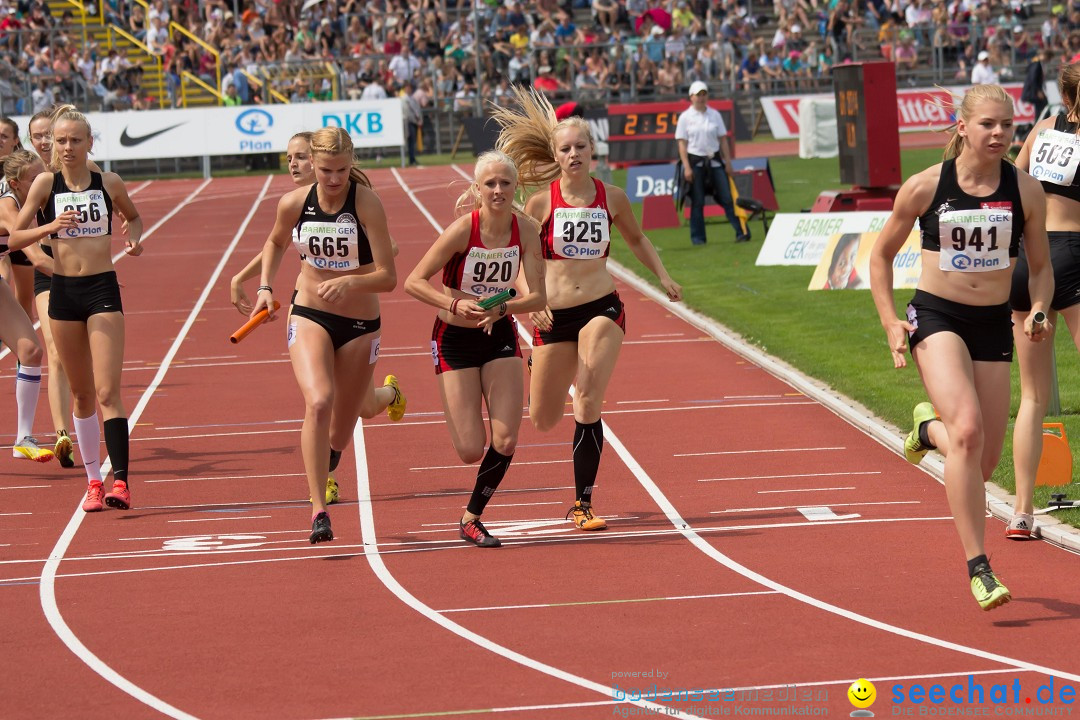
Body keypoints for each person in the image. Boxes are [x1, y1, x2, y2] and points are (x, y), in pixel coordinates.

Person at [869, 84, 1053, 611]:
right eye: (988, 125)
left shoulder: (1025, 190)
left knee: (982, 461)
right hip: (936, 316)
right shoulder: (927, 187)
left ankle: (927, 430)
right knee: (968, 431)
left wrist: (1038, 310)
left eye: (1007, 126)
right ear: (963, 128)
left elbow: (1040, 269)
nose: (999, 134)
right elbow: (881, 257)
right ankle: (980, 567)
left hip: (994, 323)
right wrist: (889, 321)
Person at [492, 87, 682, 532]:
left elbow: (636, 239)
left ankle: (582, 503)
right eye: (566, 149)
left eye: (581, 147)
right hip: (553, 316)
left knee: (589, 400)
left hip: (601, 305)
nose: (574, 154)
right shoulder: (541, 203)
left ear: (593, 151)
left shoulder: (610, 197)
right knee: (542, 418)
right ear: (555, 155)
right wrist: (529, 302)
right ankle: (541, 362)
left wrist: (664, 276)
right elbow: (518, 255)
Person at [251, 126, 404, 544]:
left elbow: (389, 278)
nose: (333, 179)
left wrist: (352, 283)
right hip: (310, 313)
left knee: (341, 430)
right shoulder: (295, 202)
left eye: (340, 170)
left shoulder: (367, 204)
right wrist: (265, 287)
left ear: (351, 162)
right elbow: (275, 241)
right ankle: (318, 509)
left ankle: (389, 394)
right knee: (318, 400)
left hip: (359, 325)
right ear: (312, 166)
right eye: (324, 171)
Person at [403, 151, 546, 547]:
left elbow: (538, 298)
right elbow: (413, 281)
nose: (498, 190)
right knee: (470, 449)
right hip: (454, 339)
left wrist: (504, 307)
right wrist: (452, 304)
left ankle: (471, 517)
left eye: (505, 183)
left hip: (498, 336)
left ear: (515, 186)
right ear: (477, 188)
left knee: (506, 440)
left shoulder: (527, 231)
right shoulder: (463, 231)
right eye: (490, 184)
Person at [9, 105, 145, 512]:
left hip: (102, 288)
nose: (67, 147)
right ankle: (93, 482)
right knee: (82, 394)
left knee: (107, 391)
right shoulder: (46, 184)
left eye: (74, 140)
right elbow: (15, 237)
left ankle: (120, 480)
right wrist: (50, 228)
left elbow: (135, 217)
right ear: (52, 145)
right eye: (60, 140)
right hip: (63, 291)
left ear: (89, 143)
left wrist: (134, 238)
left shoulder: (108, 182)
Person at [1008, 61, 1080, 541]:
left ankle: (1022, 512)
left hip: (1027, 262)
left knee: (1031, 397)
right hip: (1072, 255)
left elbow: (1010, 185)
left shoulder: (1043, 128)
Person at [24, 108, 104, 468]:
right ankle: (62, 434)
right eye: (39, 136)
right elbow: (14, 225)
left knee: (83, 359)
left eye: (49, 134)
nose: (45, 141)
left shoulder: (91, 172)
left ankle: (80, 415)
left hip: (86, 276)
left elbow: (113, 207)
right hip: (45, 269)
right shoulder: (32, 177)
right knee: (53, 349)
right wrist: (38, 249)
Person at [0, 151, 53, 463]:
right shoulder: (8, 207)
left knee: (31, 351)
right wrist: (88, 276)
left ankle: (23, 438)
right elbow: (36, 258)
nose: (42, 181)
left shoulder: (25, 201)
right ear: (15, 183)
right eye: (35, 178)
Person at [675, 81, 750, 245]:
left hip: (714, 160)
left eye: (704, 94)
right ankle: (698, 239)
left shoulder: (714, 114)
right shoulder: (685, 118)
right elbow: (682, 144)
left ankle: (741, 231)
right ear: (691, 97)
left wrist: (728, 162)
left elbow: (723, 140)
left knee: (726, 197)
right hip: (695, 161)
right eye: (698, 94)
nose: (701, 98)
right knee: (698, 201)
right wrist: (686, 167)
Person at [0, 116, 35, 320]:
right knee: (3, 283)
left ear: (15, 140)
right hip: (1, 238)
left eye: (4, 136)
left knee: (24, 301)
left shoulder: (25, 165)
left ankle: (23, 349)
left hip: (23, 236)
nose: (0, 140)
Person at [1021, 48, 1052, 126]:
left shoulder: (1038, 62)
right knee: (1044, 107)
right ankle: (1039, 125)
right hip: (1033, 92)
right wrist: (1038, 91)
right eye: (1049, 58)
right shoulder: (1036, 63)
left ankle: (1039, 124)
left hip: (1035, 91)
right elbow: (1032, 78)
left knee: (1042, 107)